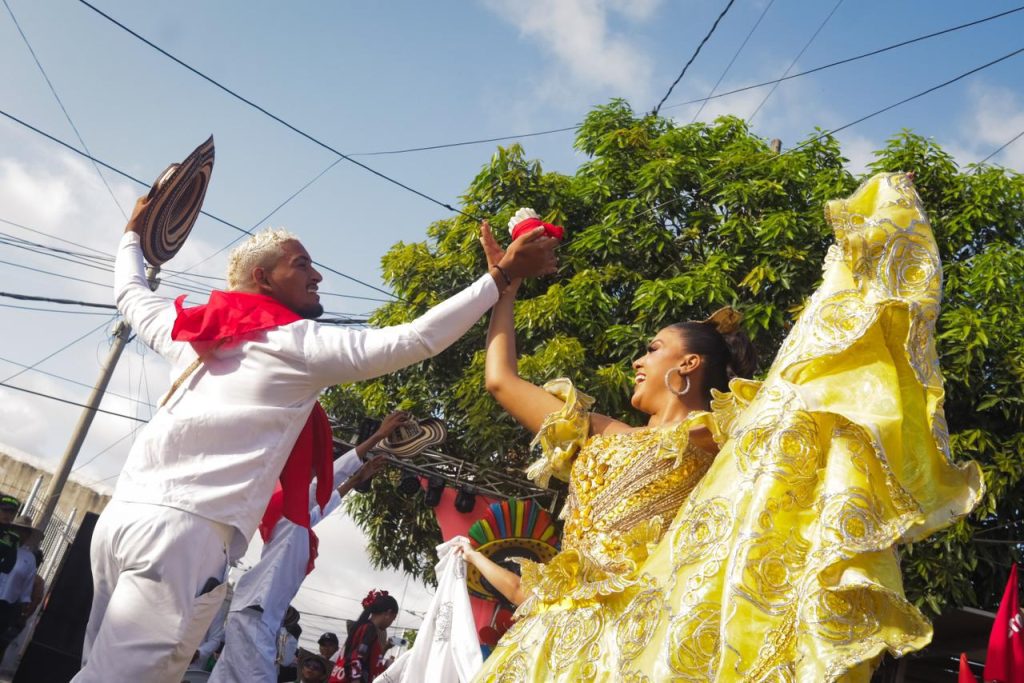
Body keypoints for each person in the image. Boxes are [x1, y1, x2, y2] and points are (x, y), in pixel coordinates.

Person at [473, 173, 983, 681]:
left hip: (630, 643)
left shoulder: (716, 434)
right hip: (545, 637)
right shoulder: (597, 431)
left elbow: (798, 389)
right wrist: (505, 283)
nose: (637, 360)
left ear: (689, 364)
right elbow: (500, 380)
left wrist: (854, 269)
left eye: (652, 348)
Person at [76, 195, 558, 683]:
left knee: (99, 668)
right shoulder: (296, 345)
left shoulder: (190, 333)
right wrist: (499, 279)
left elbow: (131, 293)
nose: (318, 276)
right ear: (263, 279)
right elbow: (415, 339)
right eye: (301, 264)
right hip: (183, 536)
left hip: (122, 519)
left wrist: (134, 233)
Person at [211, 411, 405, 682]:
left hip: (254, 613)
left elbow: (327, 502)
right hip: (256, 613)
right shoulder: (290, 516)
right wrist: (377, 437)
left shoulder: (296, 522)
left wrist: (356, 480)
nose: (317, 473)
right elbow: (330, 482)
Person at [330, 590, 399, 683]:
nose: (391, 623)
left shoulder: (361, 627)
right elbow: (356, 660)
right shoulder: (369, 630)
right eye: (393, 618)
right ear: (388, 613)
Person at [0, 516, 40, 659]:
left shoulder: (29, 558)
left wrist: (23, 614)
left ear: (28, 535)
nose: (20, 533)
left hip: (7, 607)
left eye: (24, 531)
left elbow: (26, 590)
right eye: (17, 529)